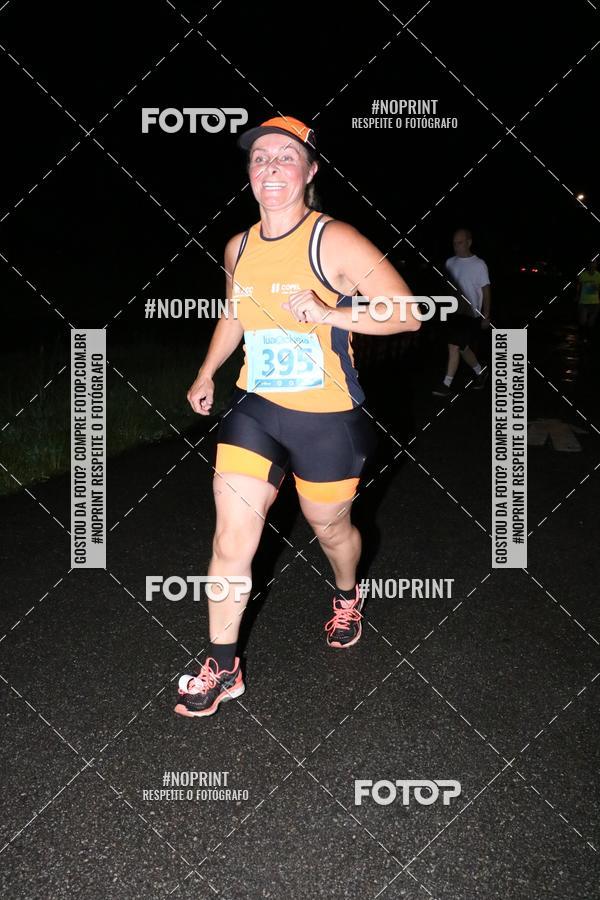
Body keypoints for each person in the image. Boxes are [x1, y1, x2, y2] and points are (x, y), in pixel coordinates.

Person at [175, 115, 421, 717]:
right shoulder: (239, 244)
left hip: (328, 418)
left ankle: (346, 593)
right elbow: (235, 313)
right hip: (255, 409)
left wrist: (326, 311)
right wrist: (208, 371)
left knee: (329, 528)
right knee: (232, 536)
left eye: (286, 157)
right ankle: (222, 665)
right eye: (260, 158)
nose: (270, 167)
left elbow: (408, 313)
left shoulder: (333, 239)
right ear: (249, 175)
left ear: (310, 171)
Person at [432, 228, 491, 398]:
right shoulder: (450, 262)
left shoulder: (479, 264)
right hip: (453, 312)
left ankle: (446, 384)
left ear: (469, 242)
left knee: (453, 345)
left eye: (459, 242)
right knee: (462, 347)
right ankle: (481, 372)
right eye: (454, 243)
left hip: (470, 314)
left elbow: (486, 290)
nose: (456, 246)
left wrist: (486, 314)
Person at [575, 259, 600, 340]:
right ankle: (582, 336)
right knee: (583, 321)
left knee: (591, 323)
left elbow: (598, 287)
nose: (593, 266)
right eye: (591, 265)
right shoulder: (583, 275)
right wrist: (577, 296)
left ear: (596, 266)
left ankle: (588, 338)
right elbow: (579, 286)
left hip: (595, 302)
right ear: (588, 266)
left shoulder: (598, 275)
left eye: (594, 265)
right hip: (584, 302)